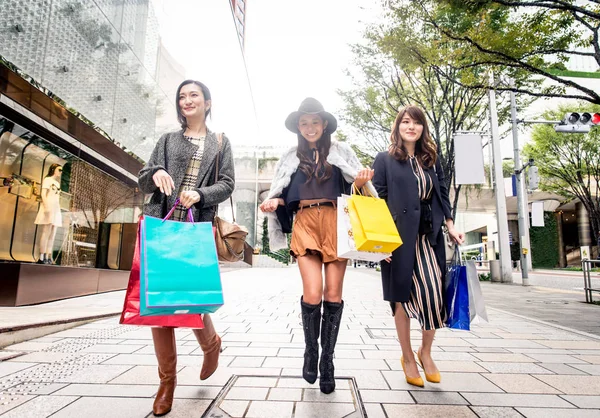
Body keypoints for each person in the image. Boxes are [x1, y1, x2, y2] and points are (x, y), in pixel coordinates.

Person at [260, 97, 374, 394]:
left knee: (333, 293)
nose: (310, 127)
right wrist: (274, 201)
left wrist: (360, 182)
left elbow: (355, 191)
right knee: (312, 293)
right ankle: (311, 350)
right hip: (306, 222)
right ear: (298, 127)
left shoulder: (342, 152)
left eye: (315, 122)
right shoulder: (290, 157)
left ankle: (328, 361)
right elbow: (284, 193)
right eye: (304, 123)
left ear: (324, 125)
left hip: (338, 223)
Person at [138, 79, 235, 416]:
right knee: (158, 308)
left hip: (195, 228)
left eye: (194, 95)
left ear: (207, 102)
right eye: (182, 96)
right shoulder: (168, 140)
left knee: (190, 300)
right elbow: (143, 174)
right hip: (162, 225)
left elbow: (227, 184)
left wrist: (200, 194)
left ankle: (211, 344)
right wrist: (157, 173)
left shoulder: (220, 143)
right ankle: (167, 383)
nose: (186, 100)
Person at [372, 105, 465, 387]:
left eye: (417, 123)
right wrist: (380, 244)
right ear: (398, 126)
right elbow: (377, 202)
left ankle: (425, 352)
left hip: (429, 236)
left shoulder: (432, 160)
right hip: (398, 239)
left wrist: (450, 224)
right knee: (401, 298)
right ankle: (407, 357)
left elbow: (443, 194)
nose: (411, 127)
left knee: (433, 295)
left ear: (423, 128)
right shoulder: (384, 160)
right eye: (406, 122)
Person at [34, 163, 63, 264]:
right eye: (59, 169)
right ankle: (41, 256)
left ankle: (48, 255)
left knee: (53, 233)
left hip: (56, 207)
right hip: (49, 206)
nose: (60, 172)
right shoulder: (47, 180)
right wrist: (46, 206)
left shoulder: (57, 183)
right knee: (46, 231)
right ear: (53, 169)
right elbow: (43, 194)